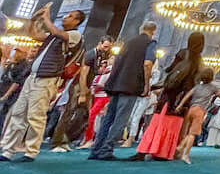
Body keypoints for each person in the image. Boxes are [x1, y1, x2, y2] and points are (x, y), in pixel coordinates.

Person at [0, 5, 85, 162]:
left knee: (36, 115)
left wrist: (46, 17)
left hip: (47, 78)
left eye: (71, 16)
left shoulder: (74, 35)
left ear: (77, 22)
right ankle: (8, 150)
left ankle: (30, 152)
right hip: (33, 77)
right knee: (19, 113)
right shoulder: (53, 37)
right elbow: (33, 34)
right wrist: (34, 19)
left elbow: (57, 32)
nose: (66, 17)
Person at [89, 22, 158, 160]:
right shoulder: (150, 43)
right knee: (121, 120)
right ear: (153, 31)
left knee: (108, 118)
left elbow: (116, 62)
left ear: (141, 29)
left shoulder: (128, 42)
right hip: (130, 86)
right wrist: (146, 85)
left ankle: (96, 150)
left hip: (115, 84)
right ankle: (106, 150)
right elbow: (147, 63)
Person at [131, 32, 204, 161]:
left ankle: (145, 150)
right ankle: (164, 152)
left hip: (171, 93)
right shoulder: (199, 61)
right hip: (183, 97)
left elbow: (170, 69)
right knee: (173, 125)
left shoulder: (183, 53)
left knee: (158, 122)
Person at [51, 35, 112, 151]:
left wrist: (101, 72)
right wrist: (83, 92)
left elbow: (92, 72)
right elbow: (83, 74)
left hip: (88, 86)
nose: (106, 49)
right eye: (105, 46)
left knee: (84, 115)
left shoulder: (99, 55)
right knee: (69, 112)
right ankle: (57, 141)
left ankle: (67, 139)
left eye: (108, 47)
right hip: (79, 86)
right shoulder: (91, 54)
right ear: (100, 43)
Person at [175, 67, 220, 164]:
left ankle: (181, 146)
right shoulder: (212, 88)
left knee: (187, 132)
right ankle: (185, 155)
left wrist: (180, 105)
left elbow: (187, 96)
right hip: (200, 111)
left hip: (191, 109)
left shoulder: (197, 86)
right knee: (192, 134)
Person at [0, 46, 35, 133]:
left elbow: (17, 82)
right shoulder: (12, 64)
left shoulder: (24, 65)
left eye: (19, 52)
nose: (16, 54)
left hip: (14, 96)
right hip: (4, 92)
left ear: (24, 53)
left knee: (8, 116)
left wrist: (6, 95)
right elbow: (3, 76)